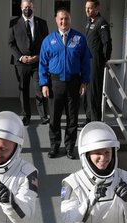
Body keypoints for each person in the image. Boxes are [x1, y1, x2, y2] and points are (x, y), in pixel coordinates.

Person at [39, 8, 91, 159]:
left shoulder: (79, 39)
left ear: (70, 19)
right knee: (54, 118)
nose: (64, 22)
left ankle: (69, 147)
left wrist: (84, 82)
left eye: (66, 18)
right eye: (61, 19)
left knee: (72, 118)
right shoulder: (48, 40)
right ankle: (54, 147)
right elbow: (42, 64)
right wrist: (44, 84)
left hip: (74, 83)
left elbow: (85, 62)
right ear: (56, 20)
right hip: (55, 84)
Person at [8, 1, 50, 126]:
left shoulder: (42, 23)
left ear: (33, 8)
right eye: (25, 7)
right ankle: (26, 116)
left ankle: (43, 116)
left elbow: (46, 43)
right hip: (21, 63)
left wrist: (38, 57)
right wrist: (21, 57)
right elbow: (11, 43)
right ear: (21, 8)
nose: (27, 9)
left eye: (29, 7)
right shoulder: (13, 23)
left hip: (37, 62)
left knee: (39, 88)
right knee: (23, 90)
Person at [83, 1, 112, 124]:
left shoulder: (101, 23)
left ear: (97, 8)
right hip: (87, 63)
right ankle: (89, 118)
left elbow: (107, 43)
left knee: (94, 92)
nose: (87, 10)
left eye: (90, 8)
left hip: (96, 62)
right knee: (87, 92)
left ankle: (95, 121)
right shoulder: (89, 23)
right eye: (86, 8)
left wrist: (103, 60)